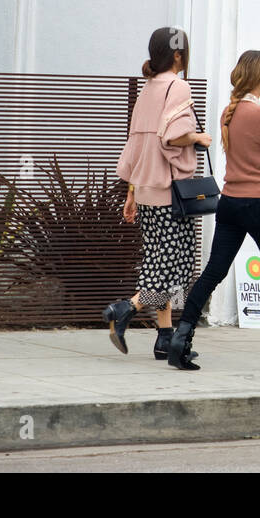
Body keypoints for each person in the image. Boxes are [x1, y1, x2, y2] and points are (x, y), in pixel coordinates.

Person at [166, 50, 260, 371]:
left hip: (230, 203)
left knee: (213, 272)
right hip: (259, 204)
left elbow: (251, 155)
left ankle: (181, 338)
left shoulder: (229, 113)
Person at [107, 28, 212, 360]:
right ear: (179, 55)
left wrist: (131, 192)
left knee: (159, 262)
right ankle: (125, 307)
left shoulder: (148, 88)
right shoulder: (177, 86)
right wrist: (198, 138)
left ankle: (165, 337)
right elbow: (172, 136)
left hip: (147, 191)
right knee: (173, 268)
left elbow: (137, 143)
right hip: (171, 193)